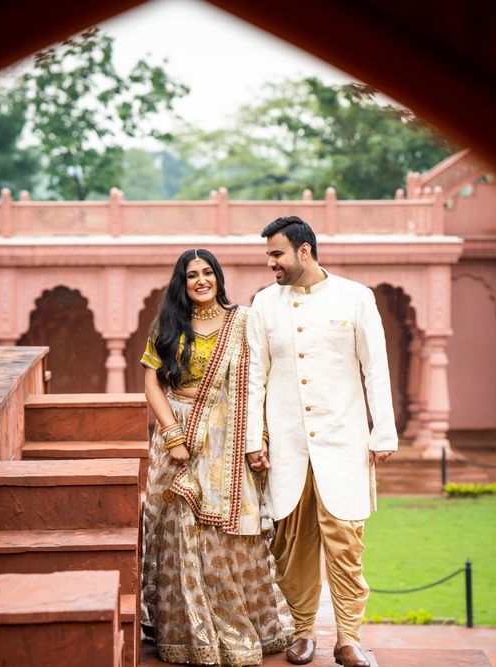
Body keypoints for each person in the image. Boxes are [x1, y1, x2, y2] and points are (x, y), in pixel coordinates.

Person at [245, 217, 397, 667]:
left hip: (343, 441)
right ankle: (302, 630)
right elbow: (256, 378)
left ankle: (348, 638)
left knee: (346, 543)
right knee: (290, 545)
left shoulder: (356, 298)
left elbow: (376, 369)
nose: (270, 263)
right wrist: (255, 438)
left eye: (277, 254)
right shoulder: (264, 304)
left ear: (304, 251)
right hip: (287, 445)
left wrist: (382, 431)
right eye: (268, 255)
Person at [139, 248, 294, 666]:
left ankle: (235, 627)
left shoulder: (243, 322)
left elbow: (257, 382)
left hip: (230, 438)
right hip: (180, 431)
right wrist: (172, 434)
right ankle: (190, 634)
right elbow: (152, 382)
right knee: (179, 529)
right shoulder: (168, 325)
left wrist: (257, 439)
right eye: (192, 275)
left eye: (208, 272)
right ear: (182, 282)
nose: (201, 280)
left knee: (227, 535)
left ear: (218, 277)